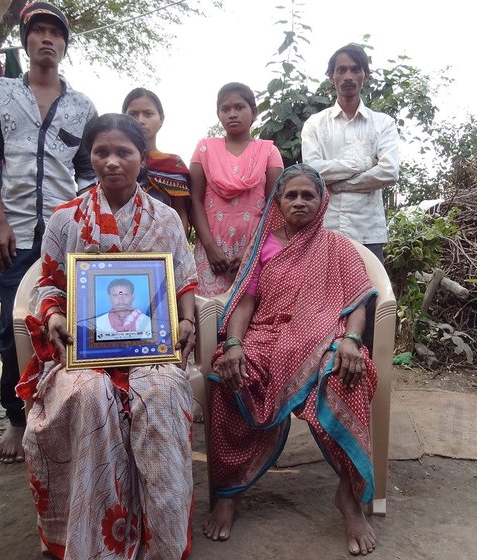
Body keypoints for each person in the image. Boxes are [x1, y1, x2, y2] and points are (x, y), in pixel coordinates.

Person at [16, 114, 197, 559]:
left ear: (141, 159)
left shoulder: (166, 219)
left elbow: (184, 284)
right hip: (84, 352)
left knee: (159, 392)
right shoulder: (66, 218)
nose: (112, 161)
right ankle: (93, 539)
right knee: (90, 392)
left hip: (150, 349)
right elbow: (50, 283)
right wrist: (55, 315)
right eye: (102, 152)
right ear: (90, 157)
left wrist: (187, 321)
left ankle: (161, 541)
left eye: (124, 152)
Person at [203, 164, 379, 556]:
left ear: (322, 201)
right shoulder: (263, 244)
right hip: (267, 334)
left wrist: (351, 339)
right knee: (226, 378)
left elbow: (357, 303)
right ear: (278, 202)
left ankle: (349, 499)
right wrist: (233, 344)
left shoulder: (338, 246)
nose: (300, 201)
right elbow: (245, 302)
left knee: (347, 375)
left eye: (308, 195)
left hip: (324, 336)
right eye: (291, 195)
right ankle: (230, 492)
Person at [0, 1, 97, 464]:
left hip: (67, 233)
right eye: (38, 31)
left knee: (72, 321)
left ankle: (67, 411)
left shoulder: (82, 106)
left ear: (65, 45)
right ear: (26, 41)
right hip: (18, 230)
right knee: (14, 324)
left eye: (56, 33)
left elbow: (86, 175)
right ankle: (18, 417)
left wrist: (89, 231)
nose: (47, 39)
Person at [301, 43, 400, 264]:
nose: (348, 76)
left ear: (365, 76)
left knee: (371, 297)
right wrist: (366, 163)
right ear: (331, 77)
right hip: (325, 231)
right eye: (341, 70)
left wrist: (341, 184)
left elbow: (389, 172)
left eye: (355, 69)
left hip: (368, 234)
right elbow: (313, 171)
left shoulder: (383, 123)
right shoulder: (315, 124)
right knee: (324, 298)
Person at [189, 82, 283, 296]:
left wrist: (250, 250)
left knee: (251, 316)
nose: (232, 114)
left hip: (255, 248)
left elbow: (274, 206)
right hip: (211, 252)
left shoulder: (269, 152)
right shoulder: (204, 149)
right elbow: (194, 200)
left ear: (254, 112)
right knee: (209, 317)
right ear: (218, 114)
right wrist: (211, 248)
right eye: (225, 109)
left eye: (239, 107)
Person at [123, 88, 192, 231]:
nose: (140, 121)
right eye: (133, 114)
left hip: (163, 241)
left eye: (148, 114)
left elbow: (180, 212)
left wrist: (179, 248)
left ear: (161, 120)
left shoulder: (173, 165)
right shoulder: (113, 163)